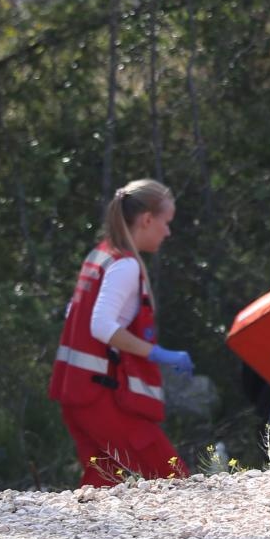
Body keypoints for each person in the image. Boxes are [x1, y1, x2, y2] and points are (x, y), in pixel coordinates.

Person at [50, 179, 194, 487]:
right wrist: (156, 353)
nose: (168, 232)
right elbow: (100, 325)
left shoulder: (100, 256)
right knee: (174, 480)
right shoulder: (125, 266)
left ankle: (87, 536)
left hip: (74, 392)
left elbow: (72, 314)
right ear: (146, 220)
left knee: (102, 483)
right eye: (166, 223)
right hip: (100, 396)